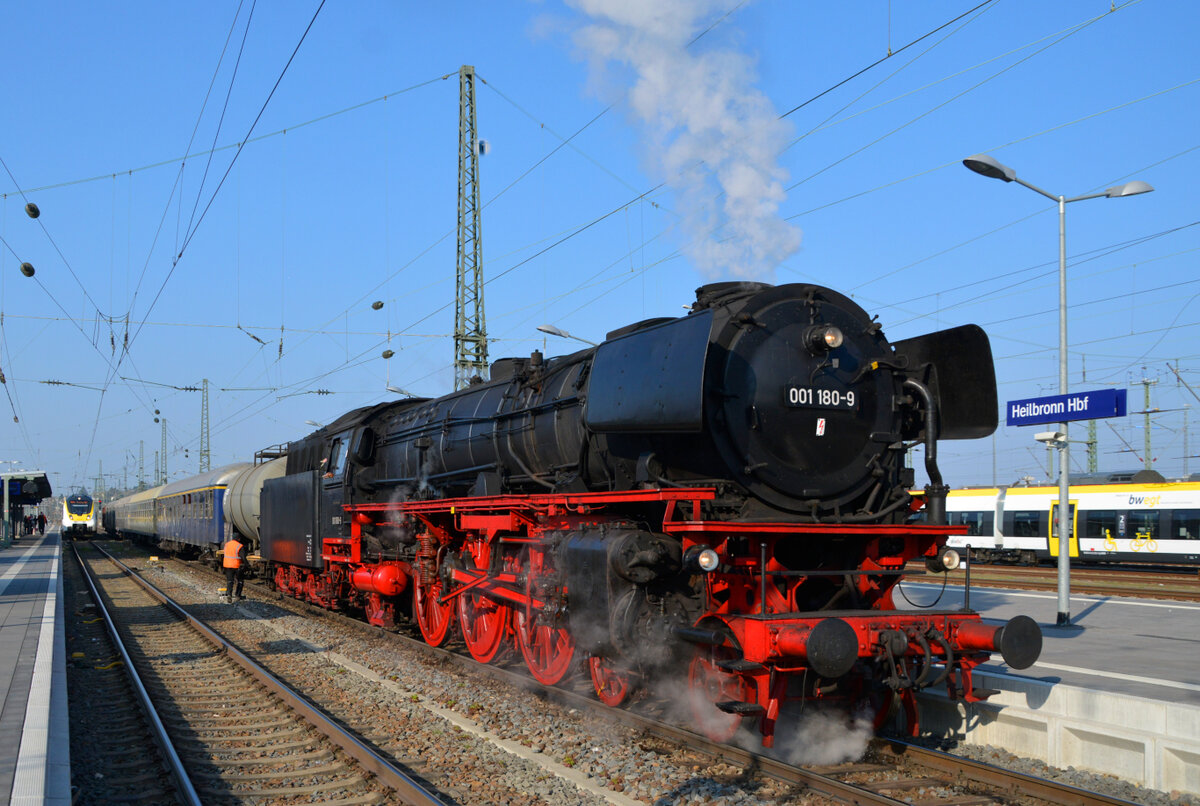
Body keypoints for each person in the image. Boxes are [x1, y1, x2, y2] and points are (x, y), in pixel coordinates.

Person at [222, 536, 246, 602]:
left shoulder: (227, 544)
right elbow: (243, 557)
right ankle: (237, 596)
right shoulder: (239, 546)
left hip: (227, 565)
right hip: (236, 566)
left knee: (230, 580)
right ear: (238, 539)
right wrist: (247, 565)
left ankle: (229, 594)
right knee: (240, 581)